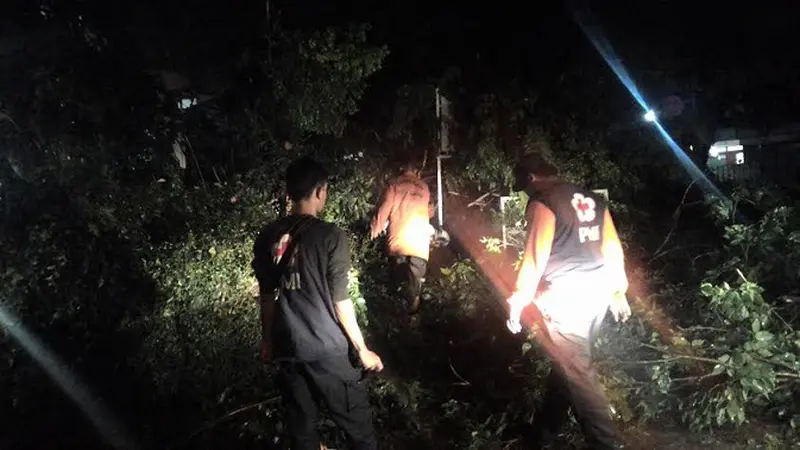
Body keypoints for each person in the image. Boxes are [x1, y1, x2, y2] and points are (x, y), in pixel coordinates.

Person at [253, 156, 383, 450]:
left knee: (302, 435)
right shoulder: (330, 237)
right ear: (320, 191)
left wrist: (267, 341)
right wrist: (362, 351)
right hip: (327, 350)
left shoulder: (266, 236)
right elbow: (341, 301)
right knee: (359, 432)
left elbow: (266, 296)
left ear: (289, 192)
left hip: (287, 349)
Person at [505, 153, 632, 450]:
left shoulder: (544, 201)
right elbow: (613, 246)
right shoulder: (591, 198)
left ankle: (606, 443)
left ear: (531, 178)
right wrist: (618, 291)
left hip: (566, 300)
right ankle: (542, 436)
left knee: (579, 376)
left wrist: (518, 299)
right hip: (597, 295)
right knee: (568, 367)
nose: (525, 193)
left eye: (524, 187)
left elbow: (536, 256)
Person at [369, 162, 435, 315]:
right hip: (419, 245)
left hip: (398, 244)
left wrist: (374, 230)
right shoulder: (424, 188)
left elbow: (385, 207)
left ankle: (397, 324)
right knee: (415, 288)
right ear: (417, 172)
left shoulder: (395, 184)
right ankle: (413, 323)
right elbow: (428, 212)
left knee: (398, 287)